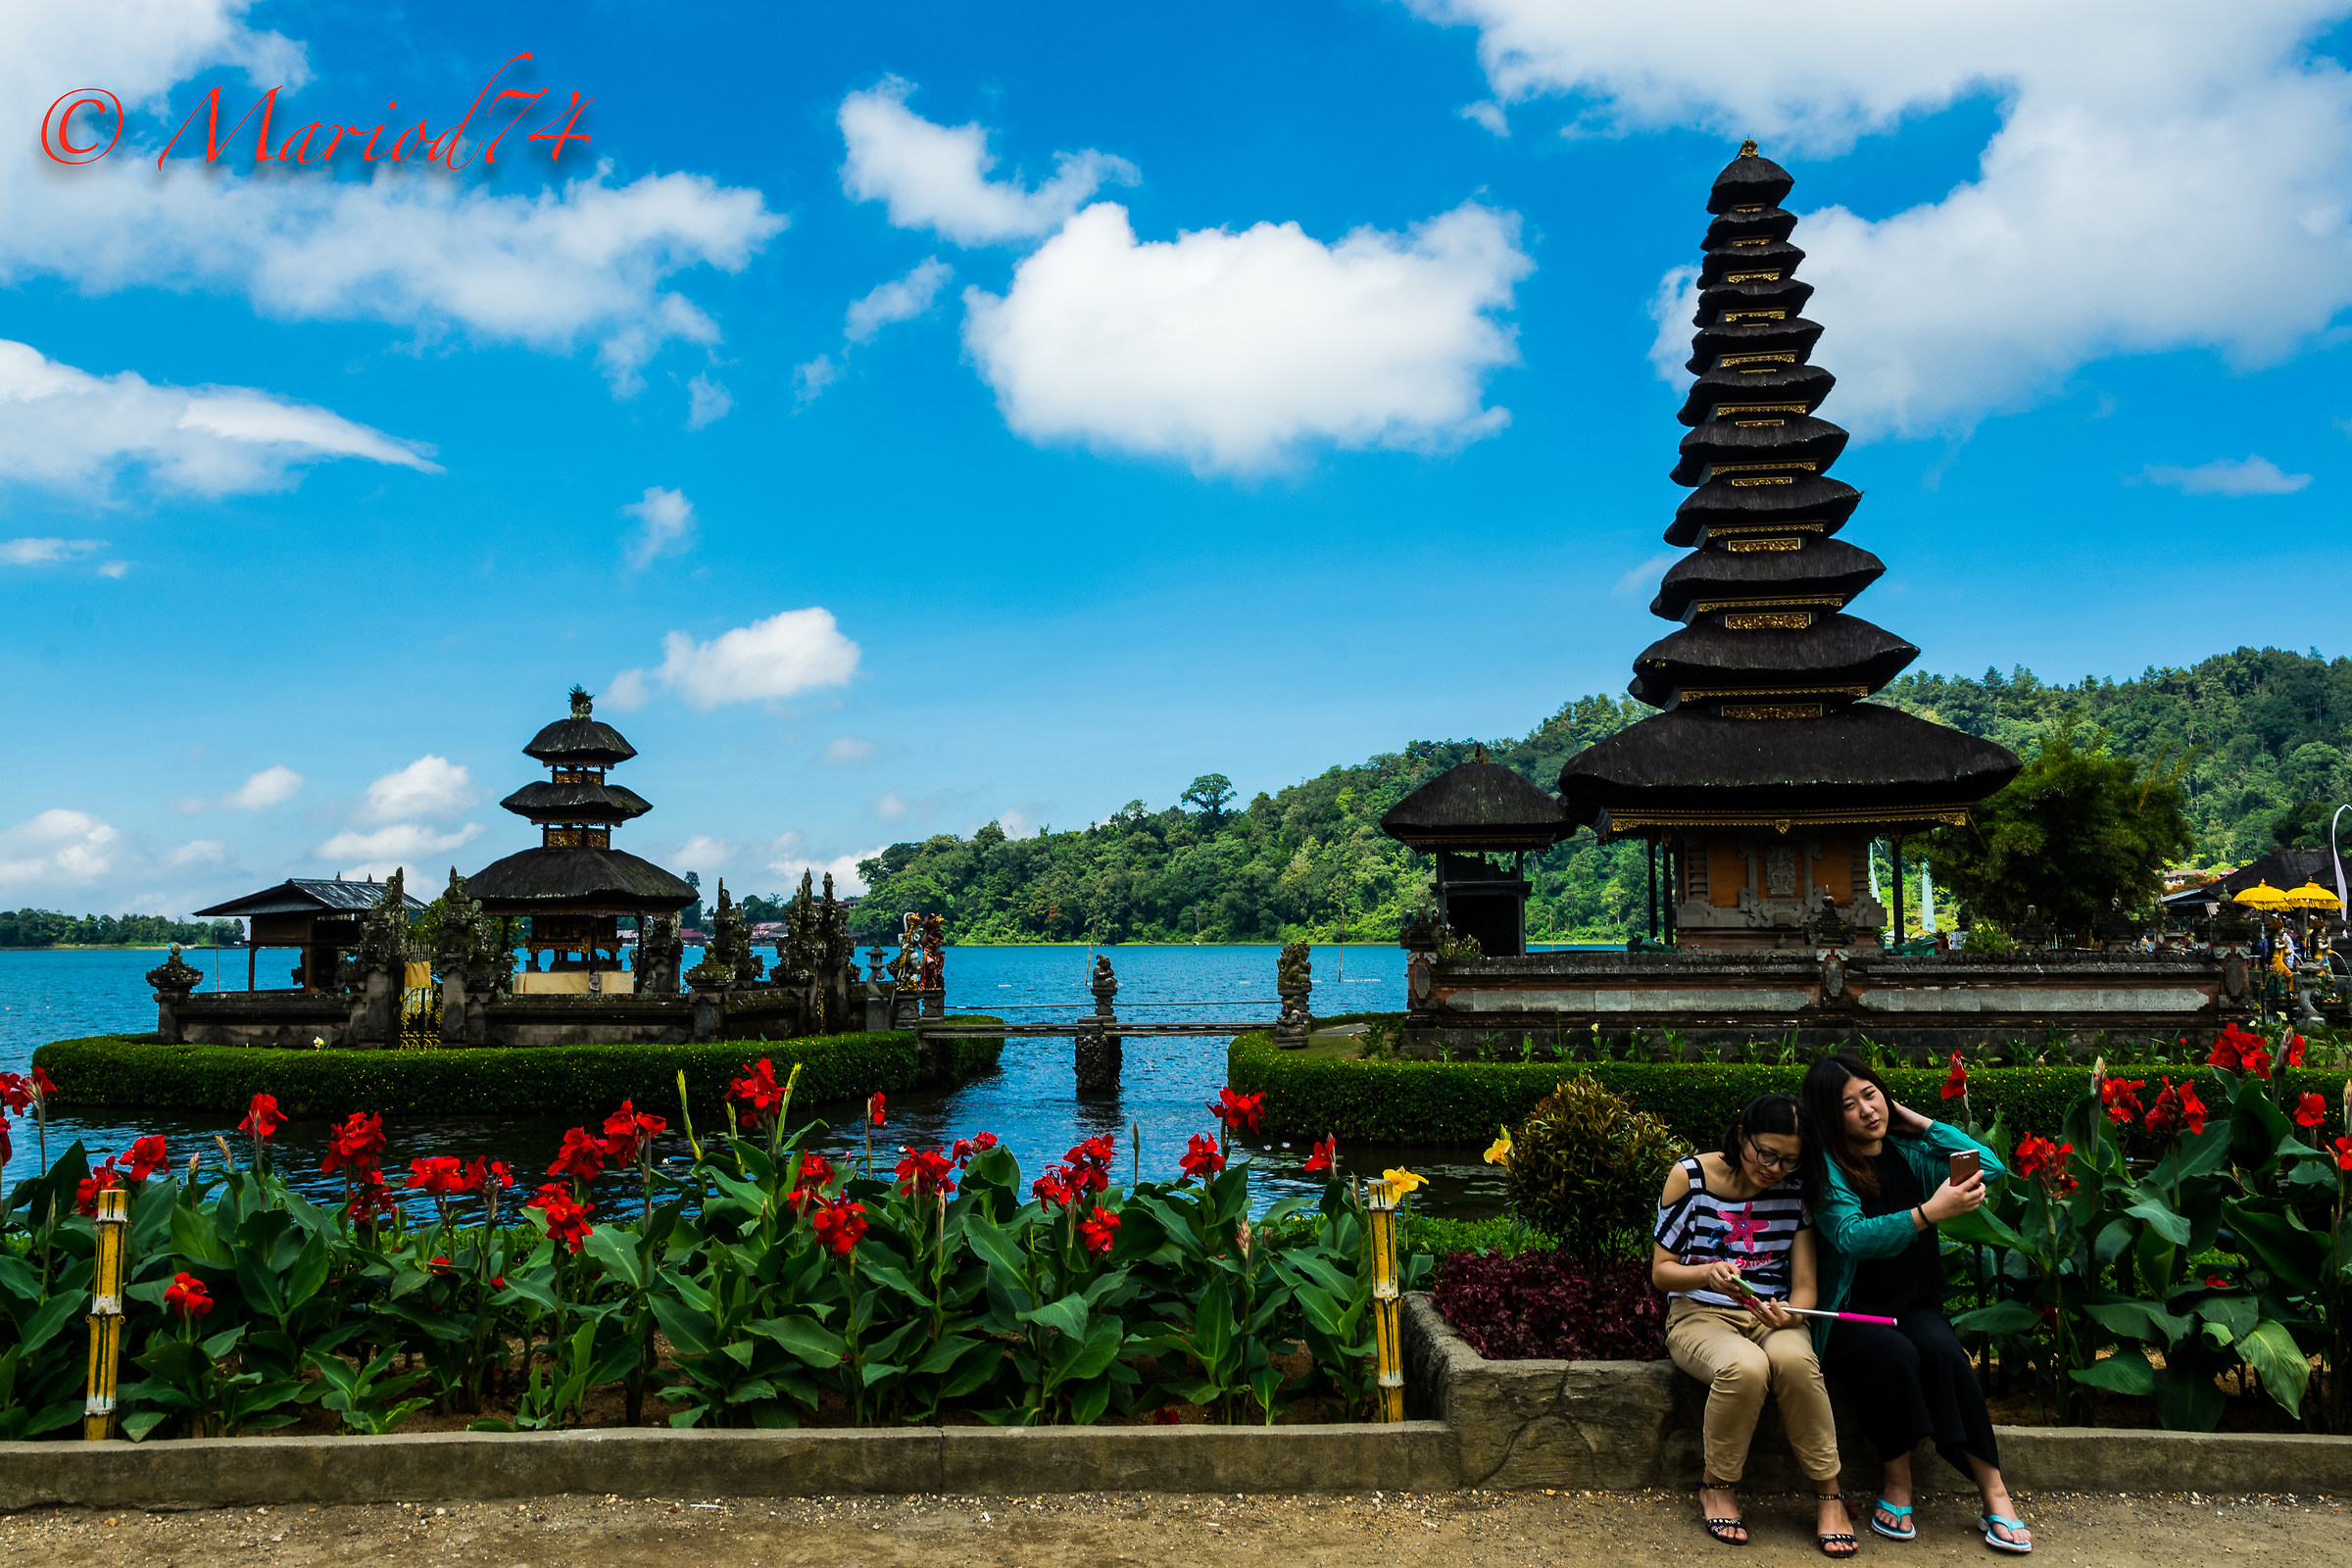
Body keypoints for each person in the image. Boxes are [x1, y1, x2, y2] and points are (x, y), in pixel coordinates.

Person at [1800, 1054, 2032, 1554]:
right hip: (1849, 1313)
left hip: (1913, 1303)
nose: (1867, 1110)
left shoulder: (1908, 1152)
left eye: (1871, 1094)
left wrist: (1919, 1120)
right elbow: (1849, 1236)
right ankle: (1897, 1483)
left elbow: (1988, 1166)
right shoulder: (1827, 1166)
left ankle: (1995, 1494)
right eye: (1848, 1104)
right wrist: (1929, 1213)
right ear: (1827, 1116)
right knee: (1895, 1355)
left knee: (1945, 1354)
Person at [1652, 1093, 1854, 1557]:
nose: (1775, 1169)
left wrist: (1794, 1313)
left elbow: (1805, 1286)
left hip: (1770, 1314)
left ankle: (1829, 1493)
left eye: (1789, 1160)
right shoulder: (1691, 1178)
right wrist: (1706, 1273)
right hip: (1699, 1313)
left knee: (1796, 1363)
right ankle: (1716, 1485)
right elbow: (1662, 1271)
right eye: (1767, 1154)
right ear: (1742, 1136)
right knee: (1744, 1367)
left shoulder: (1795, 1186)